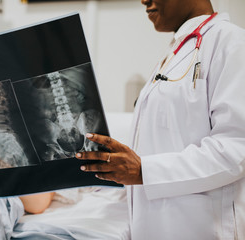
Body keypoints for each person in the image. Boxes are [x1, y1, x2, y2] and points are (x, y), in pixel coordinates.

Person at [76, 0, 245, 239]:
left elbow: (235, 149)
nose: (143, 0)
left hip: (202, 229)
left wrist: (145, 171)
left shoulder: (231, 42)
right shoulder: (178, 52)